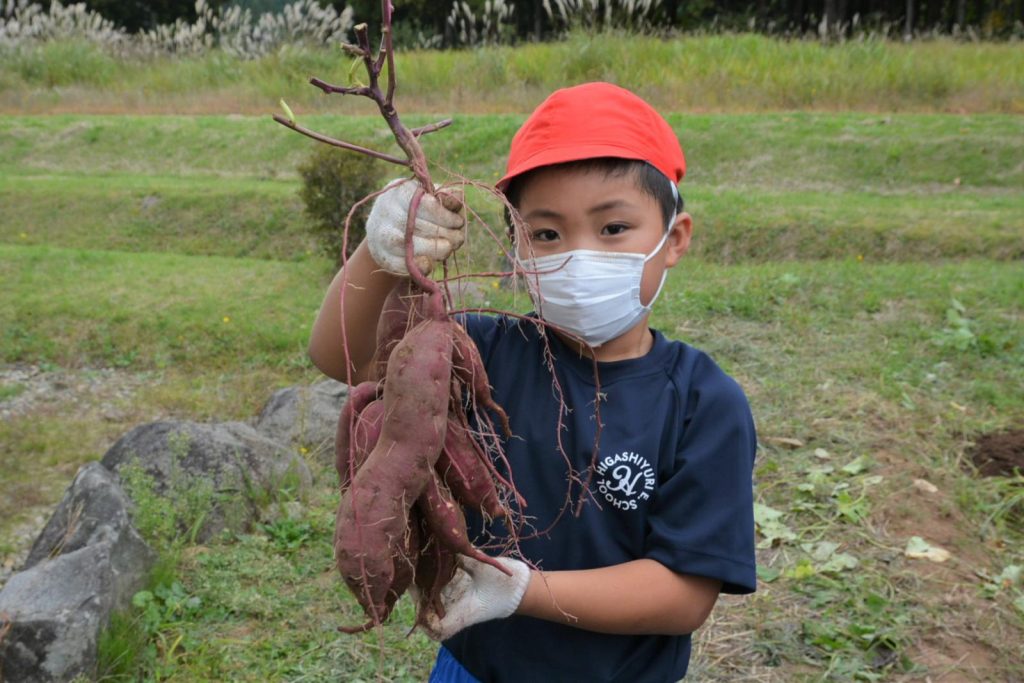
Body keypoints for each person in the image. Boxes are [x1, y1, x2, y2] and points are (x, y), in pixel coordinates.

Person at [307, 81, 757, 683]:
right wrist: (379, 253)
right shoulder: (478, 351)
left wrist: (525, 590)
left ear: (673, 239)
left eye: (613, 228)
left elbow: (684, 596)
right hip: (473, 669)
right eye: (546, 233)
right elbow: (342, 356)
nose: (578, 254)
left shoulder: (704, 403)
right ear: (517, 246)